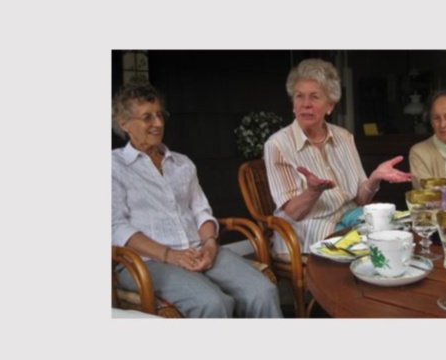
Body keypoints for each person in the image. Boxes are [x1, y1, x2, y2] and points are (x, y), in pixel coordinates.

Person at [111, 83, 282, 318]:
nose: (158, 123)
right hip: (147, 261)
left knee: (262, 291)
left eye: (160, 115)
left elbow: (201, 211)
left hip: (199, 249)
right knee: (212, 303)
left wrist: (210, 245)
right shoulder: (114, 166)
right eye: (147, 117)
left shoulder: (182, 163)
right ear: (124, 123)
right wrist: (170, 255)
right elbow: (116, 227)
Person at [264, 58, 412, 258]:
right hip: (309, 229)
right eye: (299, 96)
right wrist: (313, 191)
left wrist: (375, 177)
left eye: (314, 97)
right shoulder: (277, 145)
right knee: (371, 249)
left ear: (330, 105)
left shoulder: (344, 137)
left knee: (396, 232)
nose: (306, 104)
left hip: (352, 218)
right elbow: (294, 213)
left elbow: (360, 199)